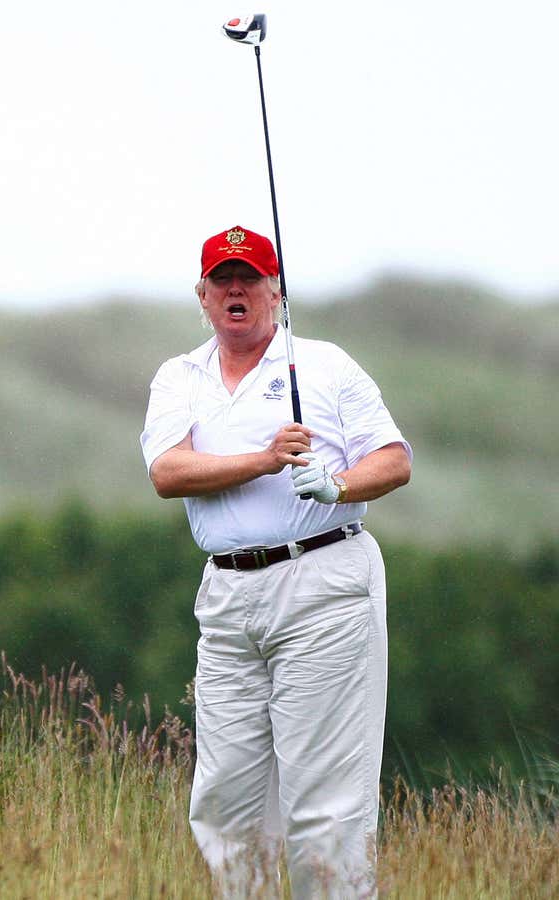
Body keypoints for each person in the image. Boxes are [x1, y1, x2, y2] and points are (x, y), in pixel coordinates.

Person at [140, 225, 412, 898]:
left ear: (276, 292)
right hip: (228, 597)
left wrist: (338, 485)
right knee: (226, 800)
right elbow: (168, 471)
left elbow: (394, 459)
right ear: (202, 295)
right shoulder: (181, 376)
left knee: (323, 804)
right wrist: (268, 458)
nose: (238, 290)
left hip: (323, 582)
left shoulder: (324, 366)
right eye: (224, 280)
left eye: (252, 278)